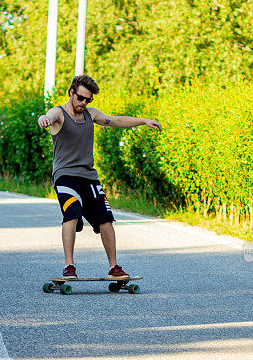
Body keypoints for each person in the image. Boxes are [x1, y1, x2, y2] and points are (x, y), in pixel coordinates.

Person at [38, 74, 162, 279]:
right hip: (65, 176)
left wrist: (143, 121)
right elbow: (48, 116)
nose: (84, 103)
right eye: (81, 98)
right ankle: (69, 266)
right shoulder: (59, 114)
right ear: (71, 93)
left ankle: (114, 268)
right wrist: (44, 119)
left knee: (105, 218)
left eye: (88, 100)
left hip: (89, 176)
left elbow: (116, 120)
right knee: (72, 213)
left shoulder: (90, 114)